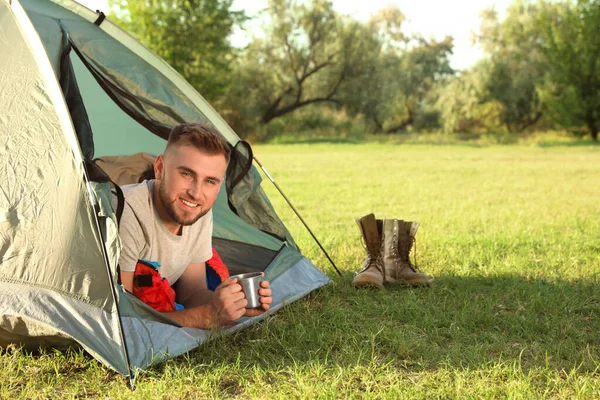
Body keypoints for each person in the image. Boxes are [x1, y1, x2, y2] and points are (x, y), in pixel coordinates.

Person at [118, 123, 272, 328]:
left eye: (210, 181)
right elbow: (125, 320)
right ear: (160, 168)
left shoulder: (197, 211)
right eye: (187, 174)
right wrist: (207, 317)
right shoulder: (127, 212)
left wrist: (231, 305)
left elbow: (192, 293)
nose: (196, 193)